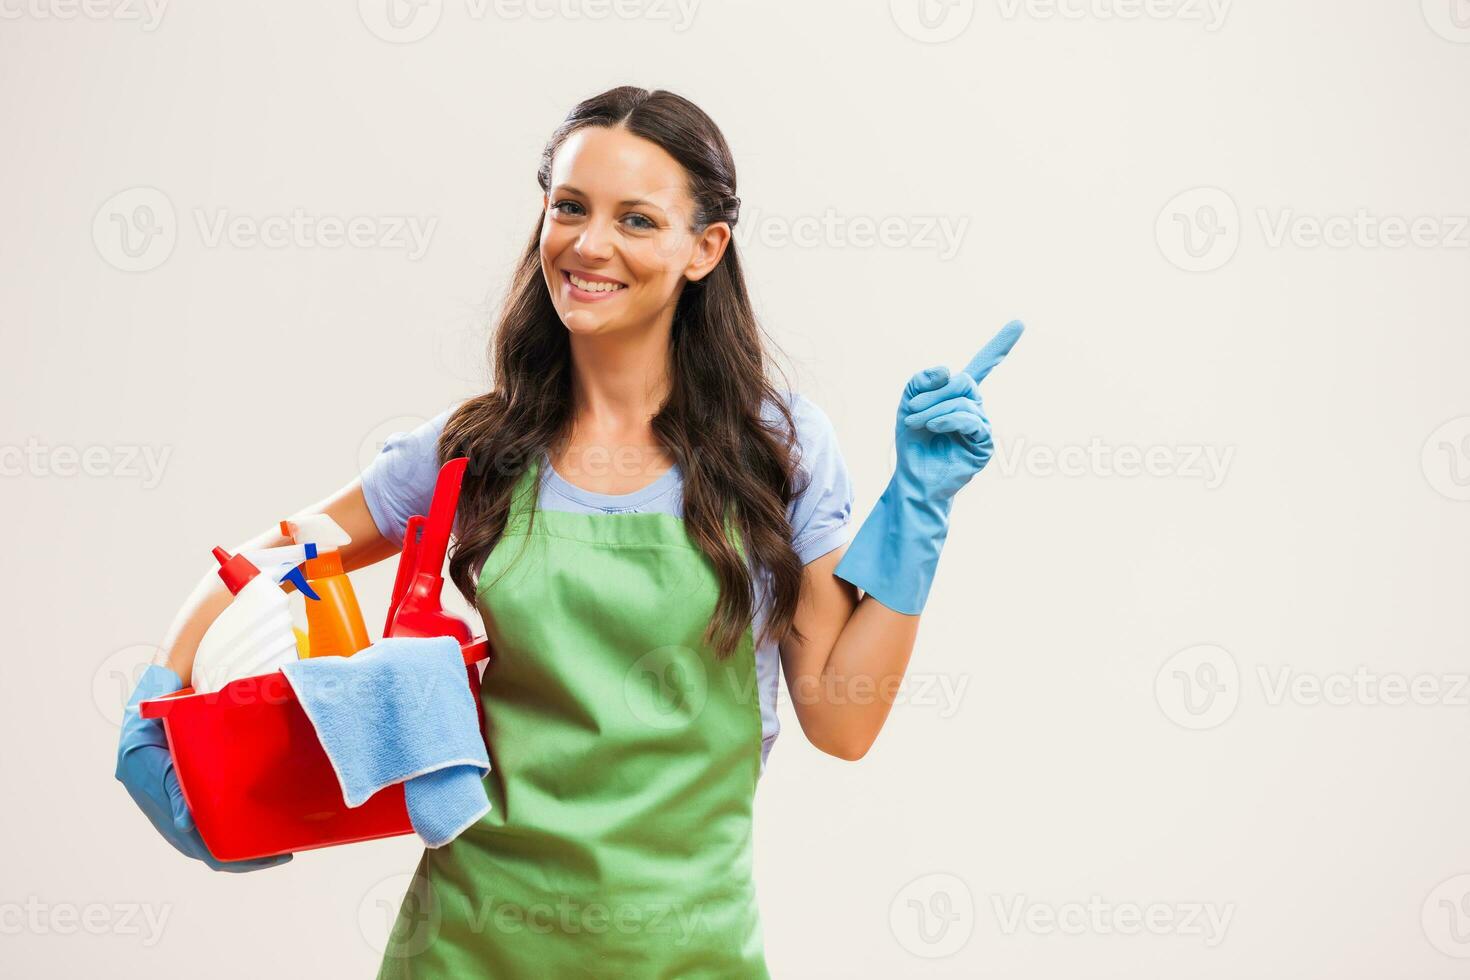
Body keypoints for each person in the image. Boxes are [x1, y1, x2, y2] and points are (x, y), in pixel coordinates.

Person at [114, 85, 1023, 978]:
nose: (589, 244)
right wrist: (157, 704)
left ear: (705, 248)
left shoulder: (772, 449)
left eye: (637, 220)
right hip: (469, 946)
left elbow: (843, 716)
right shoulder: (477, 449)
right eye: (570, 208)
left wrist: (919, 506)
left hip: (688, 954)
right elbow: (275, 554)